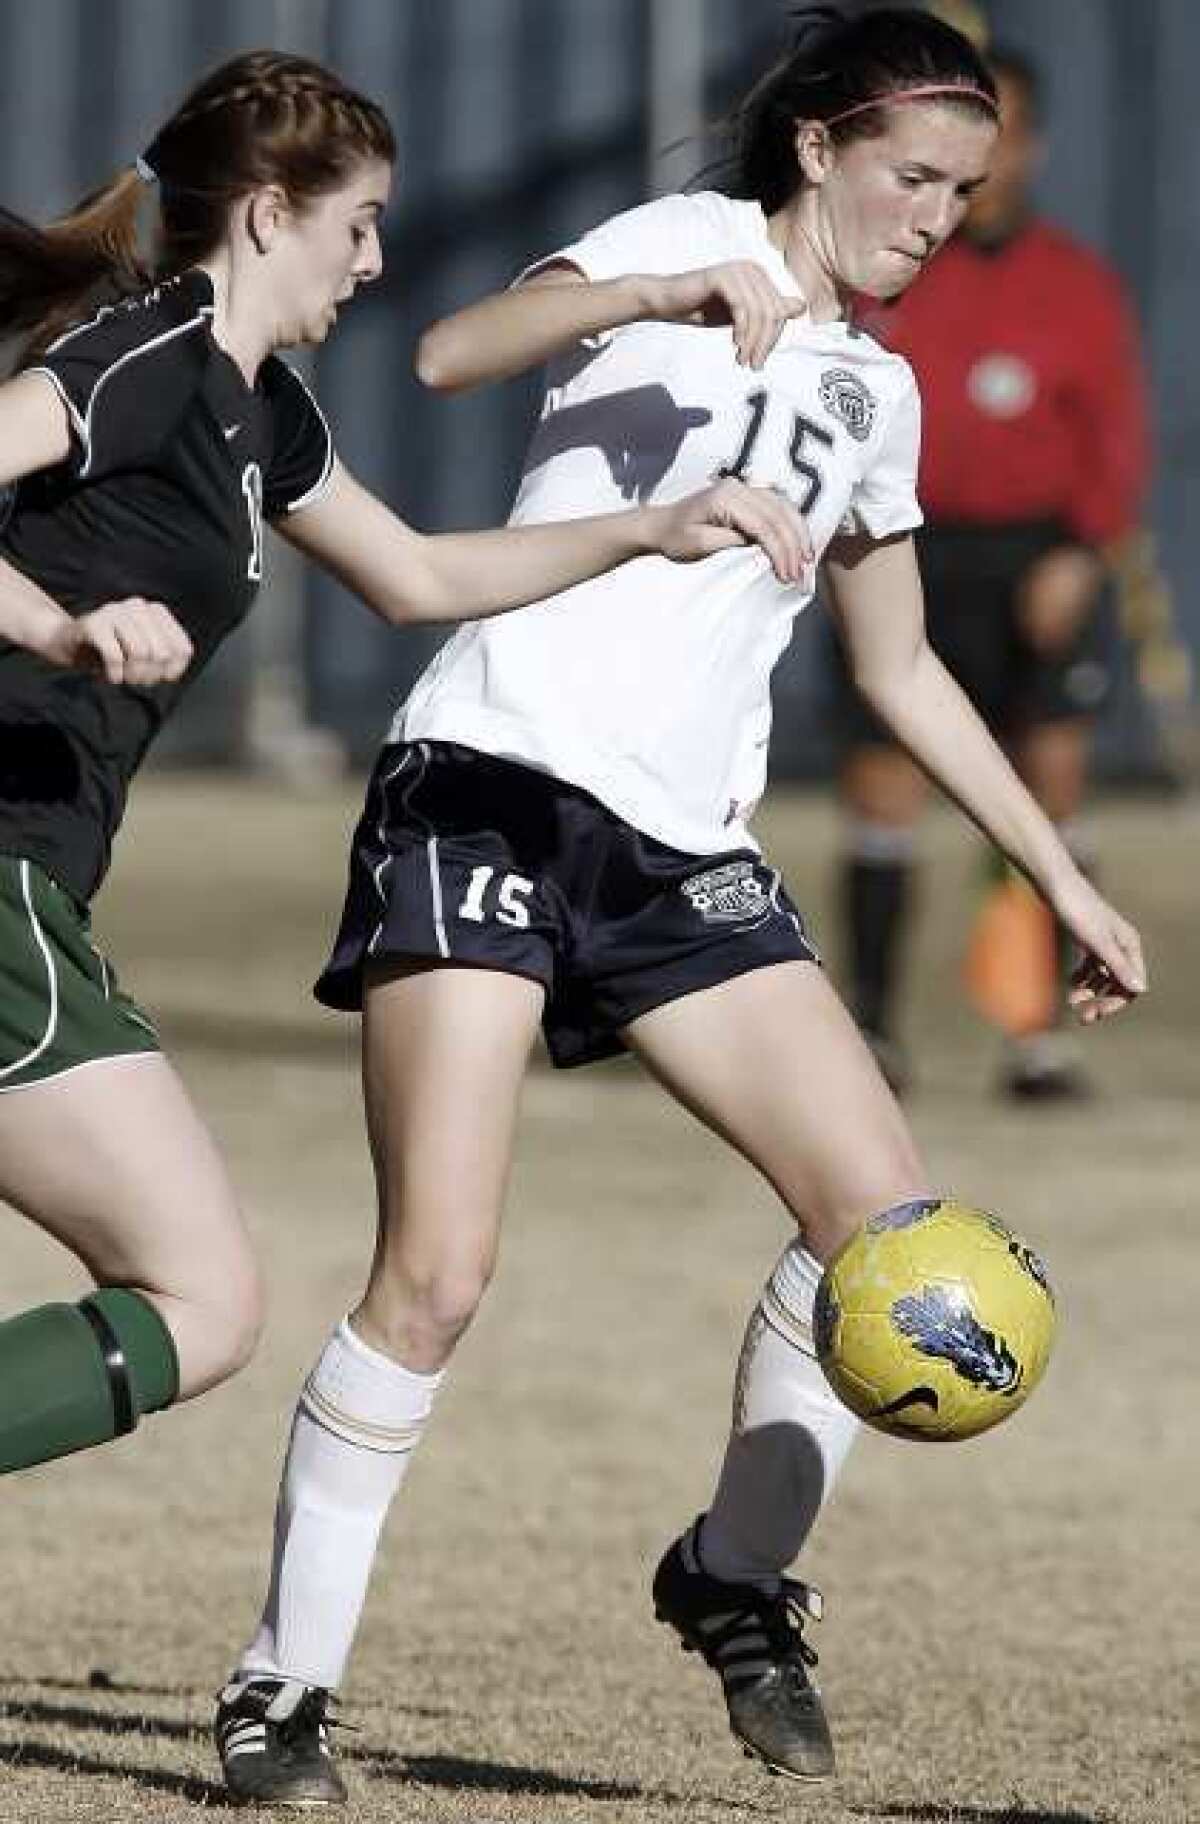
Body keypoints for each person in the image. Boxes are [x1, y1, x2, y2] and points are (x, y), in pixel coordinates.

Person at [214, 10, 1146, 1807]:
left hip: (679, 845)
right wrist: (657, 298)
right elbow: (461, 353)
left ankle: (734, 1571)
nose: (942, 214)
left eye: (965, 190)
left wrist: (1058, 869)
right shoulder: (670, 247)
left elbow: (903, 669)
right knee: (438, 1273)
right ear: (816, 149)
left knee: (882, 1230)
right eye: (914, 177)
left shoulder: (883, 388)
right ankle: (281, 1695)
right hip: (488, 778)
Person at [0, 56, 802, 1551]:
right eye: (357, 225)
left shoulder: (260, 412)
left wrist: (652, 528)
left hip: (34, 887)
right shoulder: (145, 352)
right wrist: (59, 624)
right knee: (202, 1297)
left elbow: (421, 576)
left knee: (200, 1298)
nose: (373, 260)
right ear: (262, 216)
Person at [832, 44, 1150, 1100]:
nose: (985, 164)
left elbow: (1114, 440)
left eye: (1005, 135)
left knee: (1046, 793)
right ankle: (871, 1032)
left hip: (1038, 559)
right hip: (909, 552)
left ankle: (1038, 1034)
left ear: (1033, 147)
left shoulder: (1077, 283)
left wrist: (1079, 552)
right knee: (884, 790)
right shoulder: (892, 272)